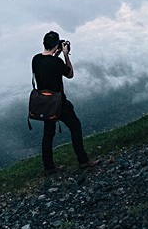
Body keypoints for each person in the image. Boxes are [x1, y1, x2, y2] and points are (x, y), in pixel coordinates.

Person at [32, 31, 99, 175]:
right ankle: (83, 161)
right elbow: (70, 74)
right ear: (56, 46)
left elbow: (47, 65)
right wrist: (66, 54)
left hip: (45, 103)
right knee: (75, 126)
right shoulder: (57, 62)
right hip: (59, 103)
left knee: (48, 134)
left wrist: (57, 52)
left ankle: (49, 167)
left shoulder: (36, 59)